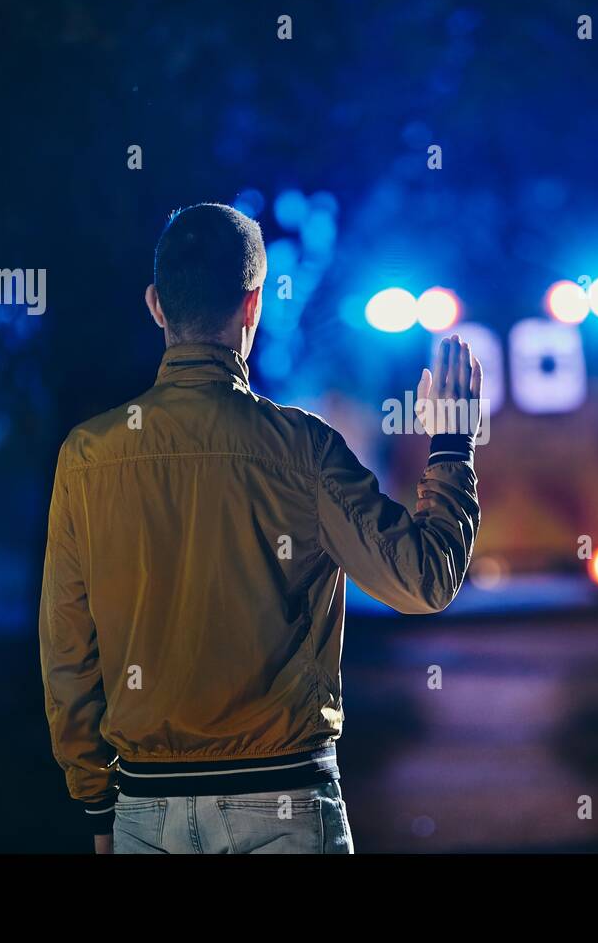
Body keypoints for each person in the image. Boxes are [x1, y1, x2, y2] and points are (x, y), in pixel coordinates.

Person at [38, 203, 482, 853]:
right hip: (284, 803)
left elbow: (67, 654)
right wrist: (450, 445)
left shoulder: (89, 456)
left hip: (145, 807)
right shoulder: (302, 451)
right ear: (252, 307)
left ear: (157, 305)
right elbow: (425, 580)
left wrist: (96, 805)